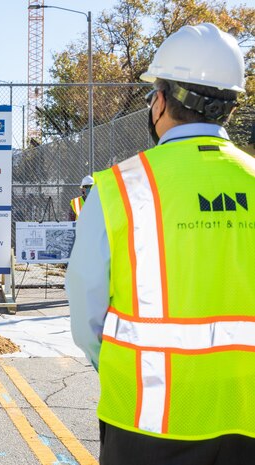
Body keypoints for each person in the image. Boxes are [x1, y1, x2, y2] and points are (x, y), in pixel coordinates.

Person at [66, 23, 255, 465]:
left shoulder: (117, 188)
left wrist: (117, 367)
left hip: (147, 421)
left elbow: (85, 313)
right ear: (227, 107)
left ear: (163, 100)